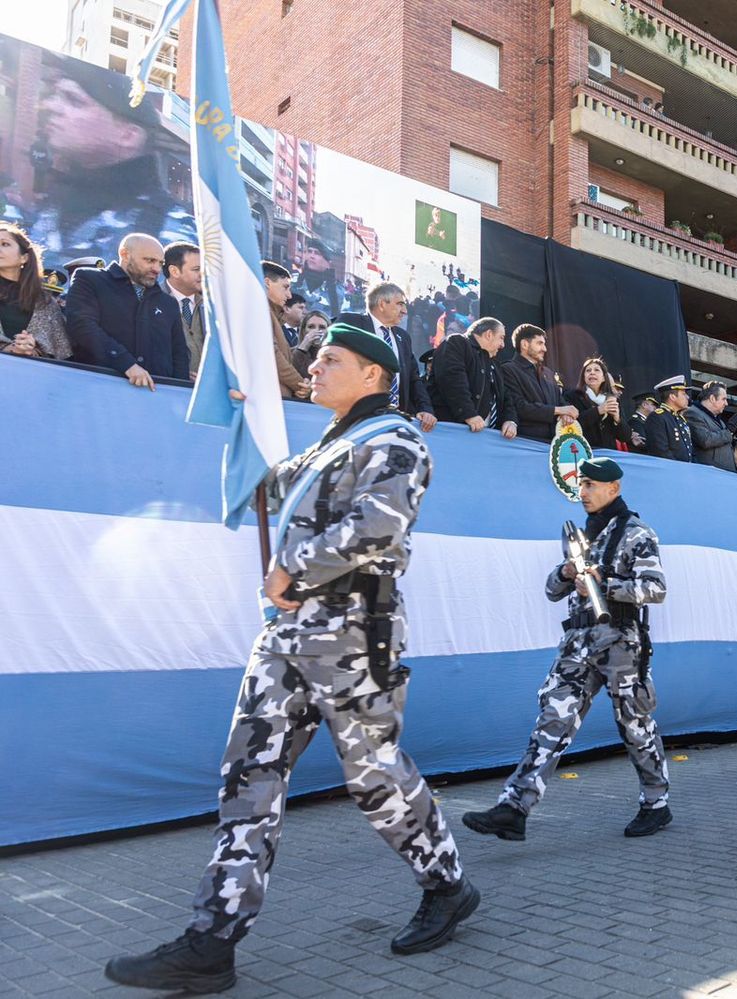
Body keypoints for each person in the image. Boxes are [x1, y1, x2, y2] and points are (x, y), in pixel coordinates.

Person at [103, 324, 478, 993]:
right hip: (288, 635)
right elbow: (271, 491)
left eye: (332, 359)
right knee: (248, 774)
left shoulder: (396, 439)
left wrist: (290, 571)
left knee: (374, 777)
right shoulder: (326, 445)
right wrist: (246, 417)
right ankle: (213, 939)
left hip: (356, 634)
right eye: (316, 355)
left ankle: (446, 883)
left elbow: (377, 526)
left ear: (374, 375)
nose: (315, 364)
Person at [462, 457, 671, 842]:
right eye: (582, 484)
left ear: (614, 489)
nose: (584, 492)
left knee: (634, 725)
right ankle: (514, 807)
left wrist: (604, 585)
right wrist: (566, 573)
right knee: (553, 717)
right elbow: (550, 590)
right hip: (578, 643)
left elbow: (655, 589)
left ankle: (656, 803)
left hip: (621, 642)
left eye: (591, 485)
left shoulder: (638, 533)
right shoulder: (581, 536)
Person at [22, 56, 194, 264]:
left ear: (129, 135)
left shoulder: (172, 230)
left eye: (74, 100)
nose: (50, 105)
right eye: (55, 94)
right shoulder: (52, 208)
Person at [66, 233, 186, 388]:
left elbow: (179, 355)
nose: (157, 269)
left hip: (157, 399)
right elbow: (82, 326)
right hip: (99, 389)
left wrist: (179, 391)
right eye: (149, 260)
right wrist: (126, 364)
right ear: (125, 254)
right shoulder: (90, 280)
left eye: (160, 263)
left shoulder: (167, 302)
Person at [335, 283, 437, 431]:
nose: (405, 311)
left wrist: (426, 409)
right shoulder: (351, 323)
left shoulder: (403, 337)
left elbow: (413, 378)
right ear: (382, 304)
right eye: (400, 304)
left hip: (396, 420)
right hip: (358, 420)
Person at [429, 316, 517, 437]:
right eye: (501, 338)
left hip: (484, 436)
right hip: (453, 433)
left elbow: (506, 396)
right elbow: (452, 381)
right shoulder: (457, 342)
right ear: (489, 334)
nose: (502, 345)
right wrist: (468, 414)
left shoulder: (493, 363)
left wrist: (510, 420)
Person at [0, 222, 71, 360]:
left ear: (24, 257)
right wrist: (8, 348)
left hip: (30, 374)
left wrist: (32, 350)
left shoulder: (45, 301)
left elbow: (61, 351)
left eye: (5, 244)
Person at [498, 323, 575, 442]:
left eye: (544, 344)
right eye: (540, 343)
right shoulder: (508, 369)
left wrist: (566, 413)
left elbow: (560, 401)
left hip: (553, 444)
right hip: (525, 443)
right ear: (524, 344)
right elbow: (519, 406)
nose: (545, 349)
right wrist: (559, 410)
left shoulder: (548, 373)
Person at [263, 261, 310, 401]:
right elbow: (272, 356)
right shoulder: (260, 311)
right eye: (285, 287)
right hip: (270, 399)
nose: (289, 295)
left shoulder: (271, 313)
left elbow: (282, 354)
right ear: (267, 282)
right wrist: (300, 384)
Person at [162, 241, 203, 378]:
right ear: (174, 271)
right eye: (197, 269)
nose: (203, 274)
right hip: (169, 388)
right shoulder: (150, 302)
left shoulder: (213, 305)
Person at [567, 357, 627, 450]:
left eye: (597, 370)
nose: (592, 372)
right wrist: (598, 411)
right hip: (584, 452)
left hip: (609, 454)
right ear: (584, 377)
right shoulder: (573, 396)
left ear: (603, 378)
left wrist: (617, 419)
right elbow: (572, 425)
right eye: (588, 370)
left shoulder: (613, 400)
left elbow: (625, 437)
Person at [682, 381, 735, 471]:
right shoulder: (692, 413)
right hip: (710, 474)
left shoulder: (719, 420)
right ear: (712, 398)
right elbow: (705, 440)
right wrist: (728, 432)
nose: (726, 403)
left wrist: (736, 434)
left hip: (724, 473)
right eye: (723, 399)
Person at [643, 375, 694, 462]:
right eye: (684, 394)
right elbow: (660, 451)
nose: (687, 397)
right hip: (669, 471)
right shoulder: (657, 417)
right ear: (672, 397)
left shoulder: (680, 419)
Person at [290, 310, 330, 379]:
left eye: (322, 327)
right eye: (311, 327)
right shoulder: (290, 352)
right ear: (303, 330)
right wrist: (302, 349)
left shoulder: (332, 356)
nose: (316, 331)